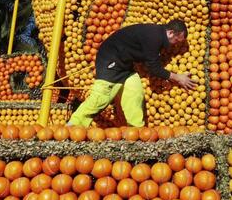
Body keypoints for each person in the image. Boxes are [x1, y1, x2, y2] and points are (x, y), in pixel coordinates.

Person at [67, 20, 196, 127]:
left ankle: (136, 131)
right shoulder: (154, 36)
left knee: (135, 92)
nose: (175, 45)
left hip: (125, 66)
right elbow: (154, 67)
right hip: (110, 60)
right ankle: (73, 126)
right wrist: (178, 78)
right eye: (176, 40)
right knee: (101, 97)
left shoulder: (158, 36)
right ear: (170, 32)